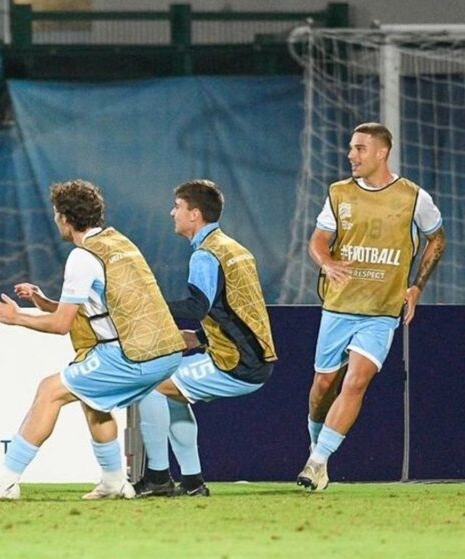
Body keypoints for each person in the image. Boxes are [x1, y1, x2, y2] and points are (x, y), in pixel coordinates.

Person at [0, 179, 186, 501]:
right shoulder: (118, 242)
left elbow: (61, 326)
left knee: (49, 390)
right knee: (93, 398)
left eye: (56, 214)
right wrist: (45, 303)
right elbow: (102, 305)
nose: (56, 221)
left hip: (133, 355)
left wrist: (17, 318)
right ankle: (113, 482)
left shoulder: (82, 257)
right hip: (166, 352)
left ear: (65, 217)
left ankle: (4, 482)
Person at [298, 122, 445, 491]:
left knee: (357, 380)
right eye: (351, 148)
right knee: (322, 386)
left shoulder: (414, 197)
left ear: (382, 153)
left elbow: (437, 240)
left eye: (360, 148)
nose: (351, 155)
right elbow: (318, 240)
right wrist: (327, 263)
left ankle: (318, 463)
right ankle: (317, 446)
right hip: (339, 307)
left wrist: (416, 287)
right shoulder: (339, 193)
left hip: (381, 311)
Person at [132, 180, 277, 498]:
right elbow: (240, 310)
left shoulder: (206, 255)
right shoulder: (235, 249)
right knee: (172, 391)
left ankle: (157, 477)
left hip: (237, 362)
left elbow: (198, 306)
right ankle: (192, 482)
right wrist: (201, 337)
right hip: (250, 356)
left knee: (151, 385)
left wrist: (150, 307)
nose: (173, 213)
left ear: (194, 214)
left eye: (178, 207)